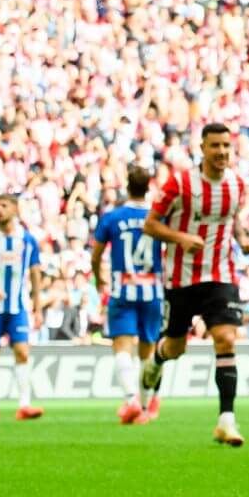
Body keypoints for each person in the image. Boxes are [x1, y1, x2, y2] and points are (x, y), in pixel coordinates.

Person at [140, 124, 249, 446]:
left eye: (226, 146)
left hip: (220, 274)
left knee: (225, 338)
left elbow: (230, 222)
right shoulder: (180, 183)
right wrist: (180, 238)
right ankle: (158, 359)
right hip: (181, 278)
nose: (221, 152)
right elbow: (149, 225)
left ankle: (226, 420)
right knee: (176, 348)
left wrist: (243, 240)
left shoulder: (237, 185)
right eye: (215, 146)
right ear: (202, 148)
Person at [90, 165, 164, 425]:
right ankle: (145, 405)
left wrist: (99, 278)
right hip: (153, 290)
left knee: (122, 346)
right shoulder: (158, 217)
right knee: (149, 350)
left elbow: (97, 253)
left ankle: (132, 399)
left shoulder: (113, 218)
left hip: (122, 289)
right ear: (148, 187)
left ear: (126, 186)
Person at [0, 195, 45, 422]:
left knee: (23, 351)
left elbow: (35, 273)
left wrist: (38, 307)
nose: (0, 210)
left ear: (15, 209)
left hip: (18, 306)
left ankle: (24, 404)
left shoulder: (27, 240)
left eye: (4, 205)